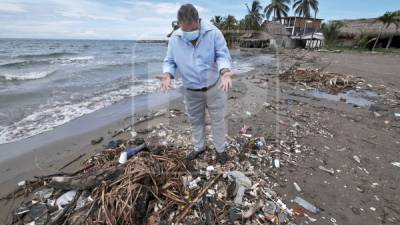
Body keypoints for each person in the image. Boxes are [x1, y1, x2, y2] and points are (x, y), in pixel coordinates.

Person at [157, 4, 233, 164]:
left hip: (214, 86)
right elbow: (170, 61)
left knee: (217, 120)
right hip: (190, 89)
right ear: (179, 25)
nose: (190, 34)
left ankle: (220, 149)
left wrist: (225, 72)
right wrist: (167, 74)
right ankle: (199, 147)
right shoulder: (175, 38)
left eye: (193, 29)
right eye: (186, 30)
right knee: (195, 121)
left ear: (198, 21)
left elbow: (222, 54)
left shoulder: (213, 33)